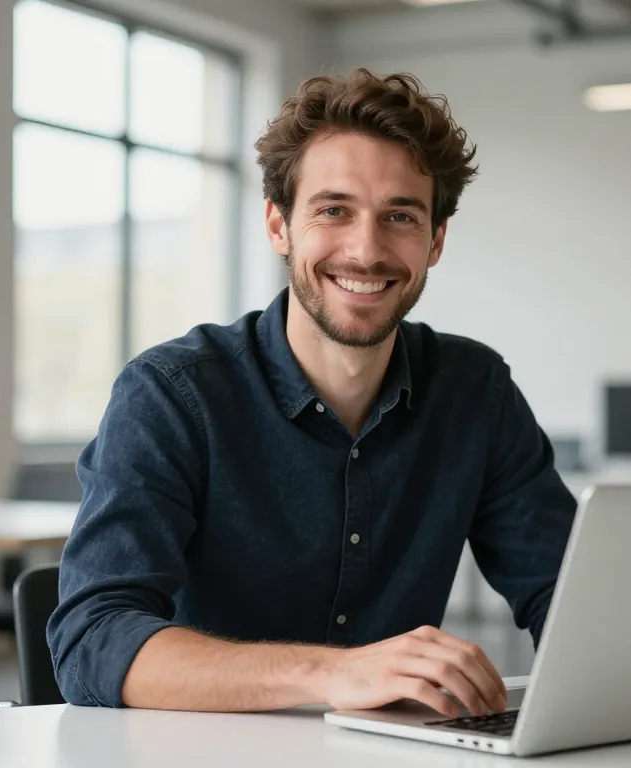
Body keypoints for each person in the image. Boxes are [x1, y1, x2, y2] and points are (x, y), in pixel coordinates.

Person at [47, 68, 576, 718]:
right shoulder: (172, 396)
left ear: (435, 241)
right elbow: (92, 640)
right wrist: (334, 675)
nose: (366, 248)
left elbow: (568, 597)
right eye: (334, 210)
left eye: (400, 216)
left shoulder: (475, 392)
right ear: (278, 226)